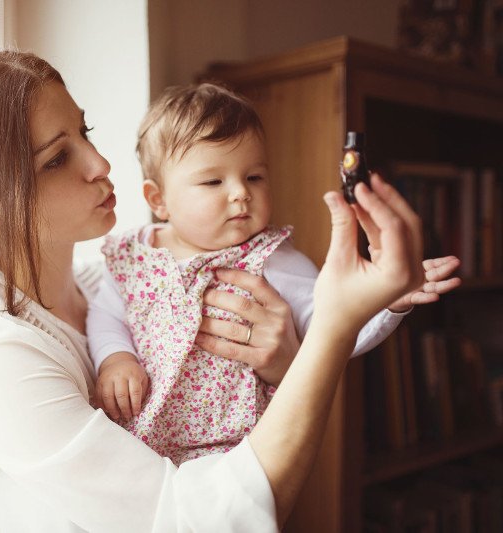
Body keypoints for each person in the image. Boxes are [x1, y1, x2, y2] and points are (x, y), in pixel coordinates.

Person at [0, 43, 427, 532]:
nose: (101, 165)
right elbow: (193, 520)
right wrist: (332, 333)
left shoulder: (114, 285)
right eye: (57, 158)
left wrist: (289, 364)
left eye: (86, 132)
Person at [86, 83, 461, 464]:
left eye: (254, 177)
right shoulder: (134, 254)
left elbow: (333, 330)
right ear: (158, 200)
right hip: (138, 444)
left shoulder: (274, 261)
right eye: (213, 181)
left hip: (232, 452)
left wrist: (387, 298)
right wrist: (115, 358)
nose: (240, 193)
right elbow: (106, 314)